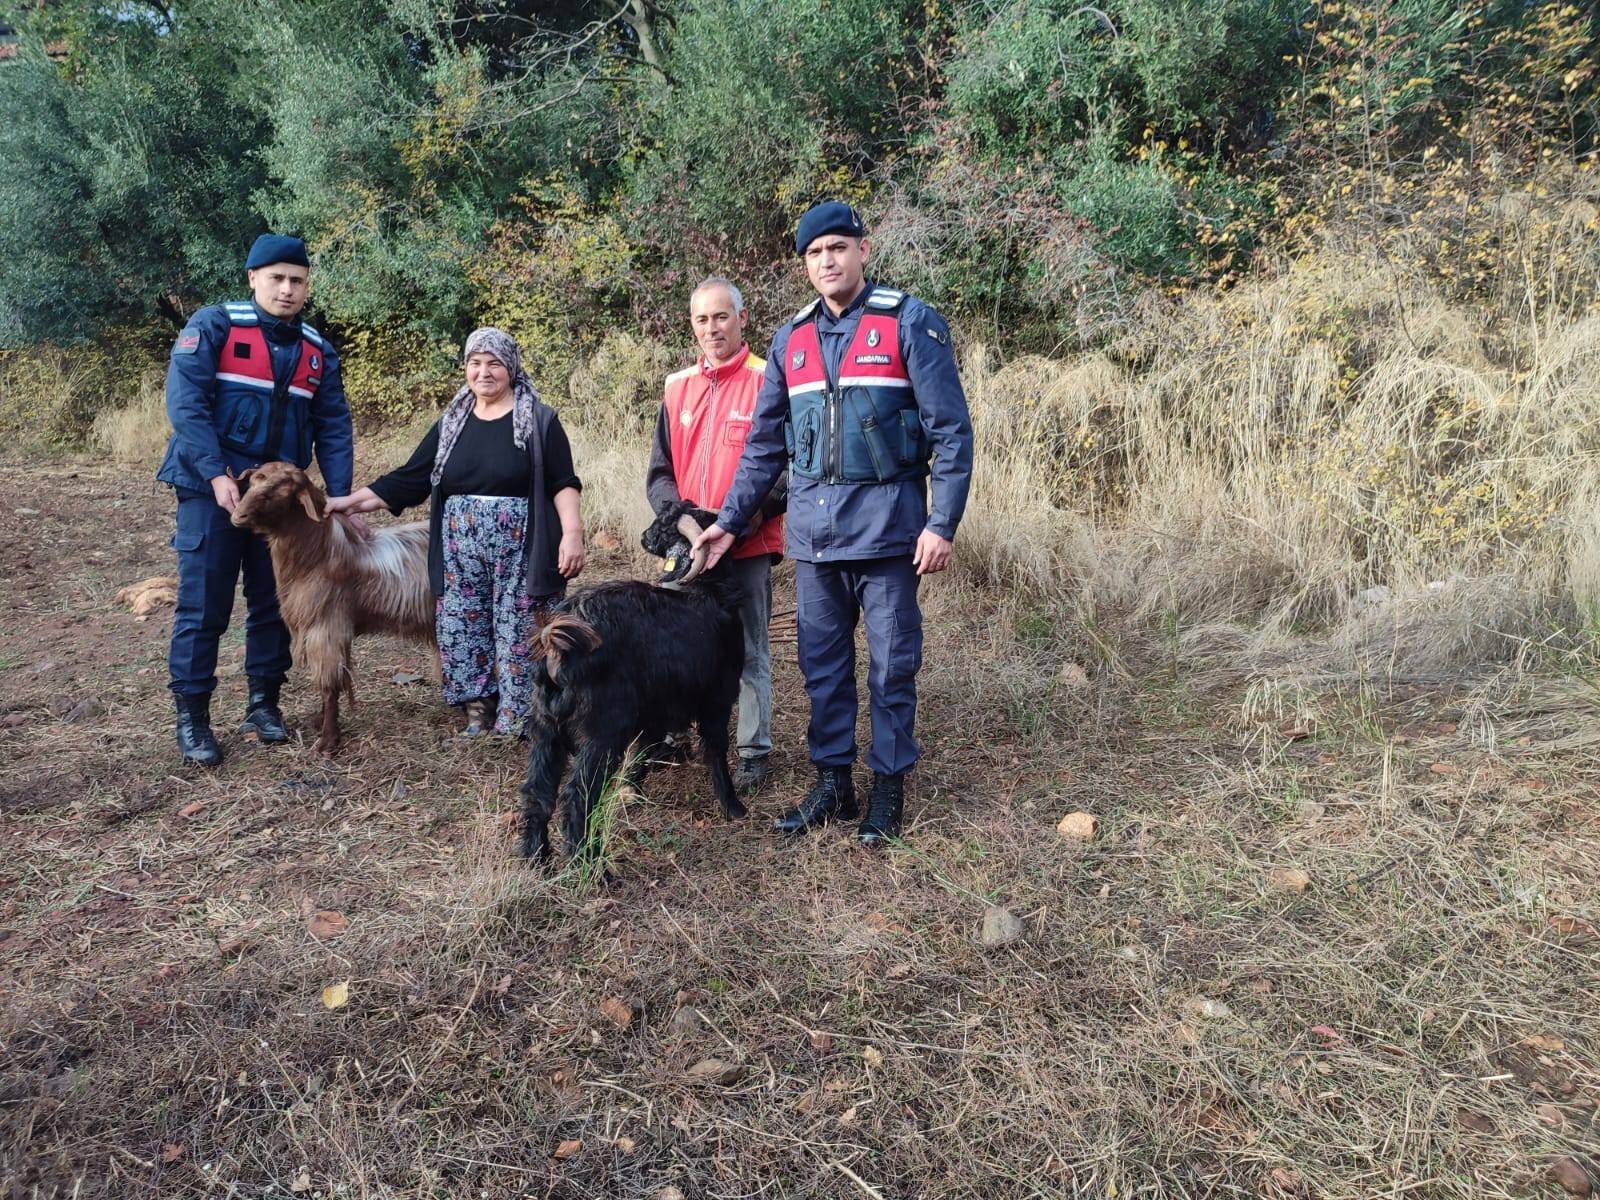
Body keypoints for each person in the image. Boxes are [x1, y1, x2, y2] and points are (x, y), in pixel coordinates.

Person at [693, 202, 974, 846]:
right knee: (822, 667)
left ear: (863, 251)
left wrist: (943, 523)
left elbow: (952, 435)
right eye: (816, 253)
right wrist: (728, 524)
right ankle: (833, 782)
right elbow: (764, 448)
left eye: (839, 248)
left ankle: (888, 787)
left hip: (889, 535)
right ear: (805, 265)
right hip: (815, 541)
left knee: (891, 665)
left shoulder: (910, 323)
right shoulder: (790, 341)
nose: (828, 261)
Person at [158, 233, 357, 766]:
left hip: (284, 501)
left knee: (274, 602)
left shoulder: (317, 349)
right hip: (211, 489)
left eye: (297, 280)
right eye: (276, 279)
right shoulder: (214, 327)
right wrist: (217, 474)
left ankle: (263, 703)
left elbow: (333, 423)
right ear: (253, 279)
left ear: (307, 284)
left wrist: (337, 495)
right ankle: (193, 715)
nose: (287, 290)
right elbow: (186, 405)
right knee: (205, 604)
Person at [325, 328, 584, 736]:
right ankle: (478, 705)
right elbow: (410, 478)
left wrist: (572, 533)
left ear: (511, 368)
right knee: (463, 623)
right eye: (475, 363)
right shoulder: (452, 422)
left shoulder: (539, 419)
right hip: (458, 543)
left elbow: (563, 482)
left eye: (494, 363)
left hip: (523, 542)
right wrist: (349, 502)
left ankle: (521, 716)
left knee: (519, 626)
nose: (484, 373)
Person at [646, 276, 788, 794]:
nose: (713, 328)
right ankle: (670, 735)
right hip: (686, 544)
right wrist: (685, 524)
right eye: (703, 319)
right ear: (693, 325)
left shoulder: (768, 379)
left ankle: (752, 752)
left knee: (747, 650)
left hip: (746, 544)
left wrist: (733, 524)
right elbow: (659, 474)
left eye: (722, 316)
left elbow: (784, 474)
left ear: (742, 319)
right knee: (671, 645)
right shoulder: (677, 386)